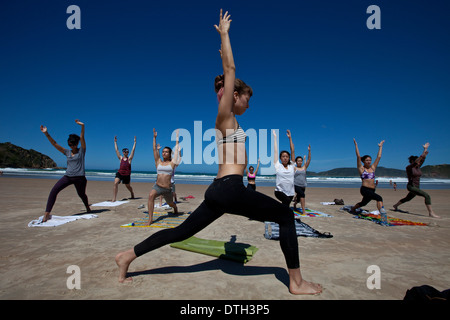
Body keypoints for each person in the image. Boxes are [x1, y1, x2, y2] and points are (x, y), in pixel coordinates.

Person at [115, 9, 322, 295]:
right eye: (247, 100)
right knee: (286, 218)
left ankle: (127, 255)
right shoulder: (224, 117)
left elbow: (227, 83)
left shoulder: (232, 123)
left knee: (180, 232)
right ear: (234, 96)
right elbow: (230, 72)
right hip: (228, 189)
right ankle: (296, 283)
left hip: (220, 191)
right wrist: (225, 36)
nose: (248, 106)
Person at [40, 120, 90, 222]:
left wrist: (82, 126)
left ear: (76, 144)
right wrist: (46, 133)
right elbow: (54, 143)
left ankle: (87, 207)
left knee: (82, 195)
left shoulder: (82, 151)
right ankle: (46, 214)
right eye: (69, 145)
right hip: (68, 177)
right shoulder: (66, 152)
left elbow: (82, 137)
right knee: (54, 190)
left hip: (80, 178)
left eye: (72, 145)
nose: (70, 147)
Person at [393, 143, 439, 218]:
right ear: (412, 161)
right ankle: (431, 213)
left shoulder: (418, 167)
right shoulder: (409, 167)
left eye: (419, 162)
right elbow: (418, 160)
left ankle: (395, 205)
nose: (419, 162)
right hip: (411, 186)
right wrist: (422, 154)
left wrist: (425, 149)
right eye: (417, 161)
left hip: (417, 187)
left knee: (407, 198)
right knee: (427, 196)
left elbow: (423, 158)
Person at [146, 128, 180, 225]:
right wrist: (154, 137)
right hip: (157, 186)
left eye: (166, 152)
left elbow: (176, 150)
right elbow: (153, 149)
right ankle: (150, 219)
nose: (164, 153)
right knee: (151, 196)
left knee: (170, 203)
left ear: (170, 154)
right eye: (163, 151)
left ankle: (175, 207)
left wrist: (177, 138)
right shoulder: (158, 162)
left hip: (167, 189)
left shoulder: (172, 163)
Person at [350, 139, 387, 223]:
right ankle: (383, 215)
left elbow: (379, 157)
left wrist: (380, 147)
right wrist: (356, 145)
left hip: (372, 189)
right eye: (367, 160)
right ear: (363, 161)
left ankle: (353, 209)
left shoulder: (373, 168)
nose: (369, 161)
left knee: (363, 203)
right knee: (379, 198)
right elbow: (358, 156)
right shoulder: (361, 168)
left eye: (370, 160)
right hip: (364, 189)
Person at [287, 131, 311, 213]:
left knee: (299, 197)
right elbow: (292, 151)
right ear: (296, 162)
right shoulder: (294, 168)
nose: (300, 162)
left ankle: (294, 204)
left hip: (303, 185)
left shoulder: (304, 167)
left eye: (301, 161)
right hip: (296, 184)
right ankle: (303, 211)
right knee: (302, 195)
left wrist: (309, 151)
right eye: (298, 161)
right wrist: (290, 138)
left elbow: (308, 160)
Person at [273, 130, 296, 207]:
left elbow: (292, 151)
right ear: (280, 158)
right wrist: (275, 138)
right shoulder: (278, 166)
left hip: (290, 192)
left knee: (285, 206)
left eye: (287, 156)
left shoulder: (292, 166)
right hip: (279, 191)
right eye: (283, 156)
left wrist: (290, 138)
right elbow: (275, 151)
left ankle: (280, 217)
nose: (285, 158)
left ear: (289, 158)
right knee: (285, 202)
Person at [112, 136, 136, 202]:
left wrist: (135, 142)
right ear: (123, 152)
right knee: (115, 183)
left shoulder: (129, 159)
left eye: (127, 152)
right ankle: (114, 198)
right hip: (120, 173)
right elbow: (116, 150)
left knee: (128, 186)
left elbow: (133, 151)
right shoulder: (120, 158)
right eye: (125, 152)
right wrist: (115, 142)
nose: (126, 153)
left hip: (127, 175)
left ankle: (132, 193)